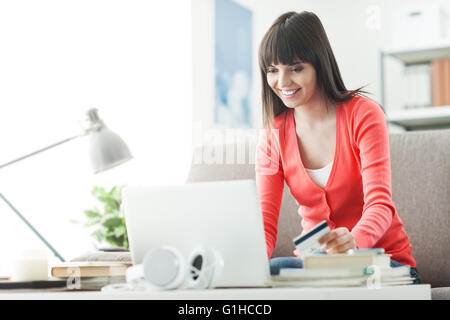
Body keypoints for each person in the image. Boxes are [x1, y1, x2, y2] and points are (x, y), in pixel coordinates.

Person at [255, 11, 420, 284]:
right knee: (273, 268)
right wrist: (248, 264)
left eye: (296, 68)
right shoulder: (272, 135)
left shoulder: (363, 114)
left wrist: (354, 239)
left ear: (319, 64)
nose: (282, 82)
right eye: (273, 70)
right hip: (318, 269)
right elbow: (264, 223)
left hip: (384, 265)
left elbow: (380, 204)